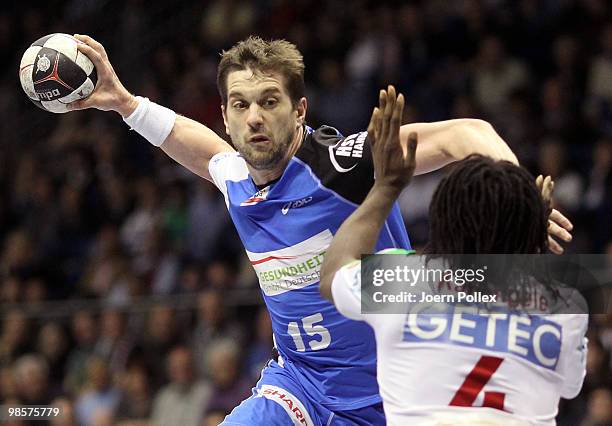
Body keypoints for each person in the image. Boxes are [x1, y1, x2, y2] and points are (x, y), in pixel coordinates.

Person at [68, 34, 573, 425]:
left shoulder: (344, 163)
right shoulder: (238, 179)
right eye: (240, 105)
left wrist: (520, 199)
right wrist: (126, 104)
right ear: (225, 116)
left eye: (270, 101)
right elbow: (199, 148)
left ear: (300, 110)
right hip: (300, 386)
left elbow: (470, 133)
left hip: (393, 396)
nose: (255, 117)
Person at [319, 89, 588, 425]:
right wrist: (527, 242)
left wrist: (386, 185)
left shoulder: (403, 281)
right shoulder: (566, 302)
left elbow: (333, 272)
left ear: (442, 218)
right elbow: (570, 386)